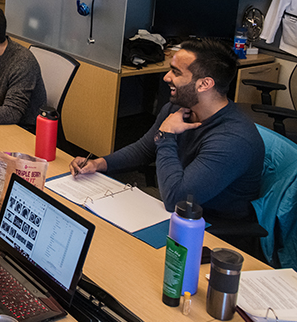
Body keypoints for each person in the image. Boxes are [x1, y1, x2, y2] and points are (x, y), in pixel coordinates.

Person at [69, 39, 265, 227]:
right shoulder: (180, 109)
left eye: (176, 72)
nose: (166, 77)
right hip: (172, 208)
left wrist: (167, 136)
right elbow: (145, 149)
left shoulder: (233, 140)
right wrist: (99, 163)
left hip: (211, 229)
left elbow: (176, 200)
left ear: (205, 84)